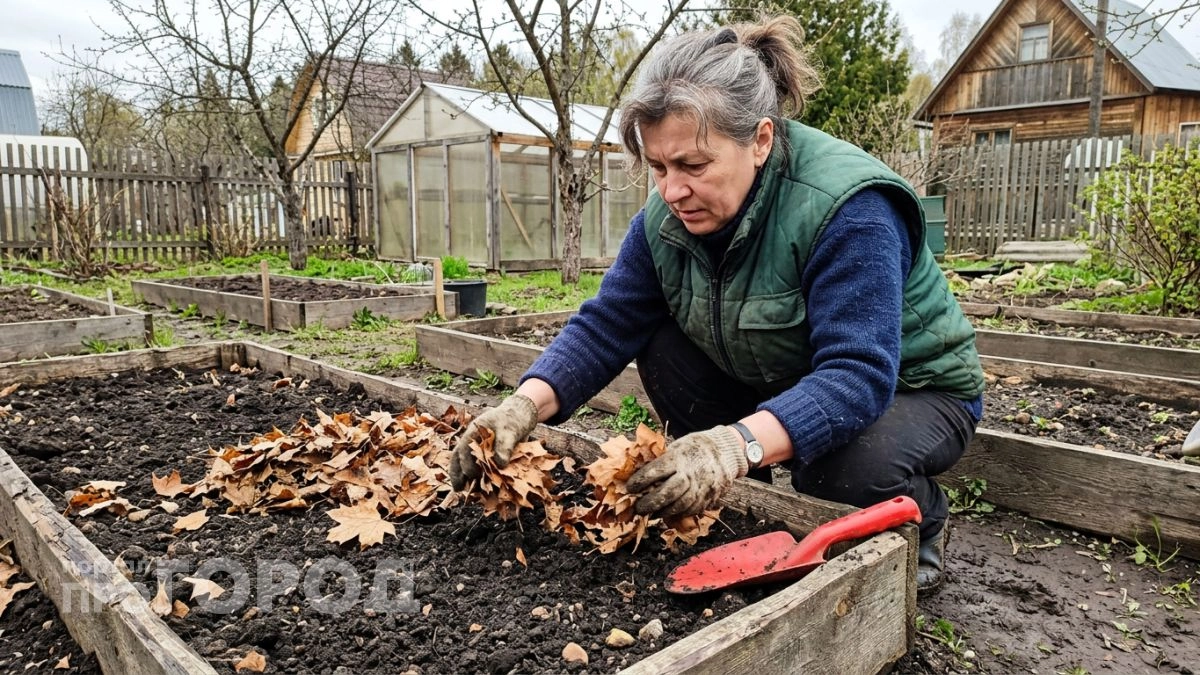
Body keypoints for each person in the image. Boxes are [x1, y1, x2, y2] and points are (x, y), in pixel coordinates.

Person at [449, 15, 984, 592]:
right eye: (658, 167)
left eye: (693, 166)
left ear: (760, 140)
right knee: (658, 340)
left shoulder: (848, 208)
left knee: (838, 469)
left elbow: (857, 375)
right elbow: (607, 324)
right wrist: (521, 407)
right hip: (785, 372)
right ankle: (729, 482)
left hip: (912, 387)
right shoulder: (666, 216)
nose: (672, 189)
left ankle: (923, 515)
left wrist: (733, 443)